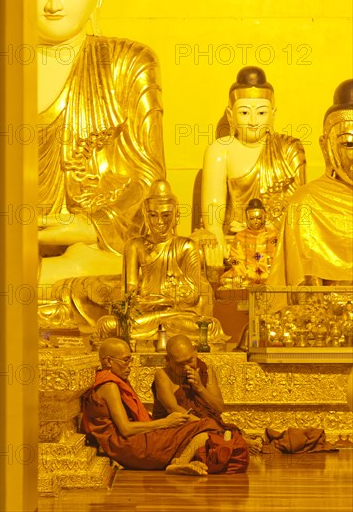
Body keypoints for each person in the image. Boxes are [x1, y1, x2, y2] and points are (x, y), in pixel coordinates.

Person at [37, 0, 165, 293]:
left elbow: (150, 182)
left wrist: (92, 226)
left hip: (94, 247)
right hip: (1, 240)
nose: (53, 2)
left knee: (141, 273)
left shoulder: (128, 62)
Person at [82, 338, 249, 474]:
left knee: (215, 437)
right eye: (126, 360)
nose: (131, 365)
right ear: (109, 361)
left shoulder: (113, 381)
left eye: (130, 359)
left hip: (136, 438)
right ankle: (182, 461)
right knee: (211, 431)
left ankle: (184, 461)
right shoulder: (109, 385)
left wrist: (199, 388)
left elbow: (219, 407)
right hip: (128, 445)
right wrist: (166, 423)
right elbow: (125, 429)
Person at [95, 180, 229, 347]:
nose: (159, 222)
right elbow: (129, 290)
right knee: (107, 325)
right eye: (153, 215)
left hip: (176, 316)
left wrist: (163, 301)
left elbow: (193, 294)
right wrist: (138, 302)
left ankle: (154, 334)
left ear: (176, 215)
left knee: (210, 327)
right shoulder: (134, 246)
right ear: (145, 214)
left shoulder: (186, 246)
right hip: (146, 314)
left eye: (166, 215)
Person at [201, 66, 306, 252]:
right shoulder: (219, 150)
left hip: (278, 242)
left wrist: (267, 230)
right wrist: (221, 245)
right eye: (243, 112)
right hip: (236, 243)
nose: (253, 121)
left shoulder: (290, 149)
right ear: (230, 115)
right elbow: (213, 217)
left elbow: (298, 213)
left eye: (261, 113)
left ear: (273, 115)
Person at [268, 78, 353, 294]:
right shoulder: (306, 202)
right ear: (326, 146)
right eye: (349, 143)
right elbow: (299, 288)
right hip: (327, 319)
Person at [151, 335, 263, 454]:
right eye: (180, 364)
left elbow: (219, 408)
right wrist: (206, 426)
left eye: (190, 360)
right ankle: (230, 439)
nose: (186, 367)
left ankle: (228, 439)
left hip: (206, 426)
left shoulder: (206, 371)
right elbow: (173, 409)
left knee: (218, 440)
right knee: (210, 442)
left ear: (195, 351)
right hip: (177, 428)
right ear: (168, 360)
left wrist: (200, 388)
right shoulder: (163, 375)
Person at [220, 198, 278, 287]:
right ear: (247, 219)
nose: (256, 221)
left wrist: (270, 269)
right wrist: (239, 273)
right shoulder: (240, 236)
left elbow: (278, 257)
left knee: (280, 277)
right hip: (246, 274)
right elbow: (235, 259)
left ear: (264, 217)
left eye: (259, 218)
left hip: (269, 273)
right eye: (252, 218)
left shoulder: (273, 235)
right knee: (226, 280)